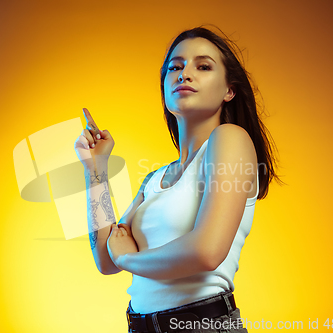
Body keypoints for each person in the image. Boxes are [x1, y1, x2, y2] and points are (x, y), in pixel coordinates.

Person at [74, 26, 280, 333]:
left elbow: (206, 252)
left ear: (229, 90)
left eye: (203, 66)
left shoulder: (230, 139)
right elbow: (106, 258)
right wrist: (95, 169)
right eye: (175, 67)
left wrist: (129, 258)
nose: (184, 73)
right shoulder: (154, 180)